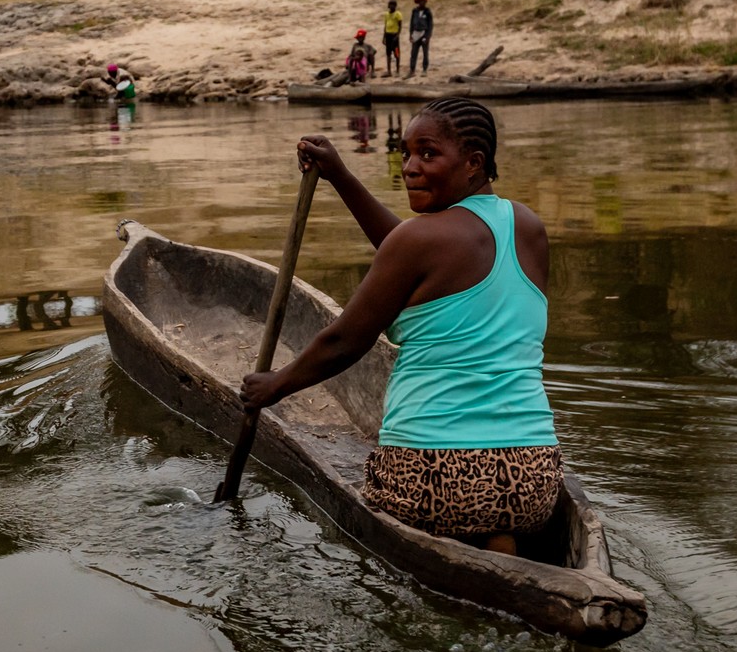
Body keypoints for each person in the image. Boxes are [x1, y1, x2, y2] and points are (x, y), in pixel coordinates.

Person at [239, 98, 561, 555]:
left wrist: (273, 386)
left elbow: (344, 342)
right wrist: (342, 177)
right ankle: (498, 537)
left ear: (474, 164)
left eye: (428, 154)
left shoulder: (419, 242)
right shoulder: (527, 226)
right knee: (494, 511)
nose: (409, 167)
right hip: (533, 479)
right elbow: (409, 251)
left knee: (397, 497)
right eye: (406, 153)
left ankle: (470, 533)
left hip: (433, 477)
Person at [407, 0, 433, 77]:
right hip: (415, 33)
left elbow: (430, 25)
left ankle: (424, 70)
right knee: (413, 53)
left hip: (424, 33)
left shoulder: (428, 11)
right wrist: (410, 34)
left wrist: (427, 36)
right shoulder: (414, 11)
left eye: (424, 1)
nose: (422, 3)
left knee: (425, 53)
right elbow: (411, 23)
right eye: (421, 1)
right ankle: (412, 70)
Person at [381, 0, 402, 77]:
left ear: (396, 6)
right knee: (388, 54)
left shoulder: (398, 14)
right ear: (388, 5)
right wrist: (384, 37)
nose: (392, 6)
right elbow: (385, 26)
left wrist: (397, 35)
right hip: (388, 35)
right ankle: (389, 71)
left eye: (394, 4)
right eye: (391, 4)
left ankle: (397, 71)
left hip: (394, 36)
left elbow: (400, 26)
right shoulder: (386, 14)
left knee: (397, 53)